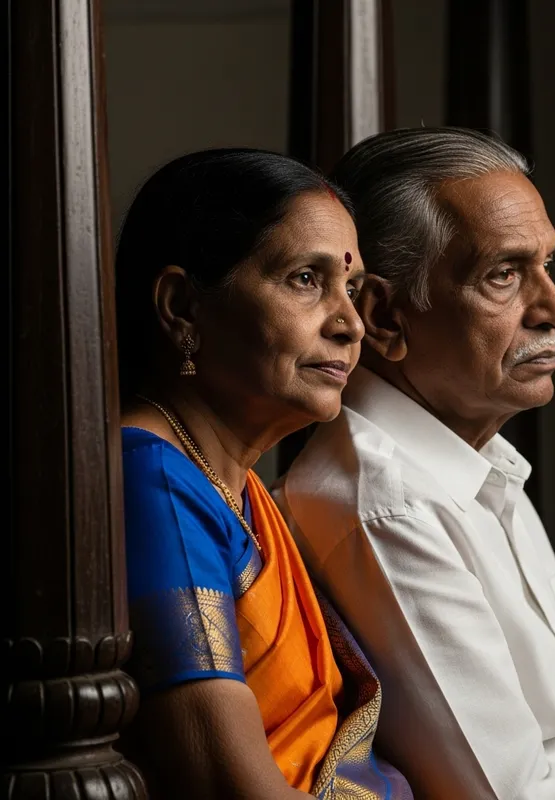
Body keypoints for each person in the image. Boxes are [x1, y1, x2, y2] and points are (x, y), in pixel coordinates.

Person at [275, 128, 555, 800]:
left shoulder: (481, 462)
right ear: (383, 317)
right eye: (502, 274)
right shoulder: (386, 508)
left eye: (548, 266)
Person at [115, 148, 412, 800]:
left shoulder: (234, 485)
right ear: (183, 307)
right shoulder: (155, 485)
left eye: (352, 288)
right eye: (307, 279)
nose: (350, 323)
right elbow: (230, 786)